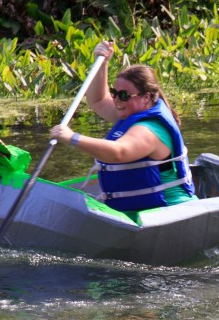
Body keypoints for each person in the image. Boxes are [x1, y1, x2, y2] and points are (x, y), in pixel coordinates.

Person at [50, 41, 196, 212]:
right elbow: (97, 101)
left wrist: (72, 138)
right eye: (115, 93)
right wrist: (101, 63)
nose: (117, 101)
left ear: (146, 97)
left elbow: (119, 152)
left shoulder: (150, 130)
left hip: (169, 211)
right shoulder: (130, 112)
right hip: (138, 213)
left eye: (124, 95)